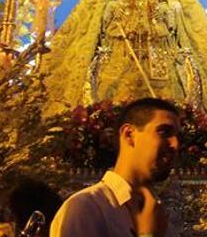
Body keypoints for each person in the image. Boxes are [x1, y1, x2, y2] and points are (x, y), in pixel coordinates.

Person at [49, 98, 180, 237]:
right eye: (164, 132)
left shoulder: (158, 216)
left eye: (178, 136)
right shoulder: (86, 208)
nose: (175, 144)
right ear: (129, 134)